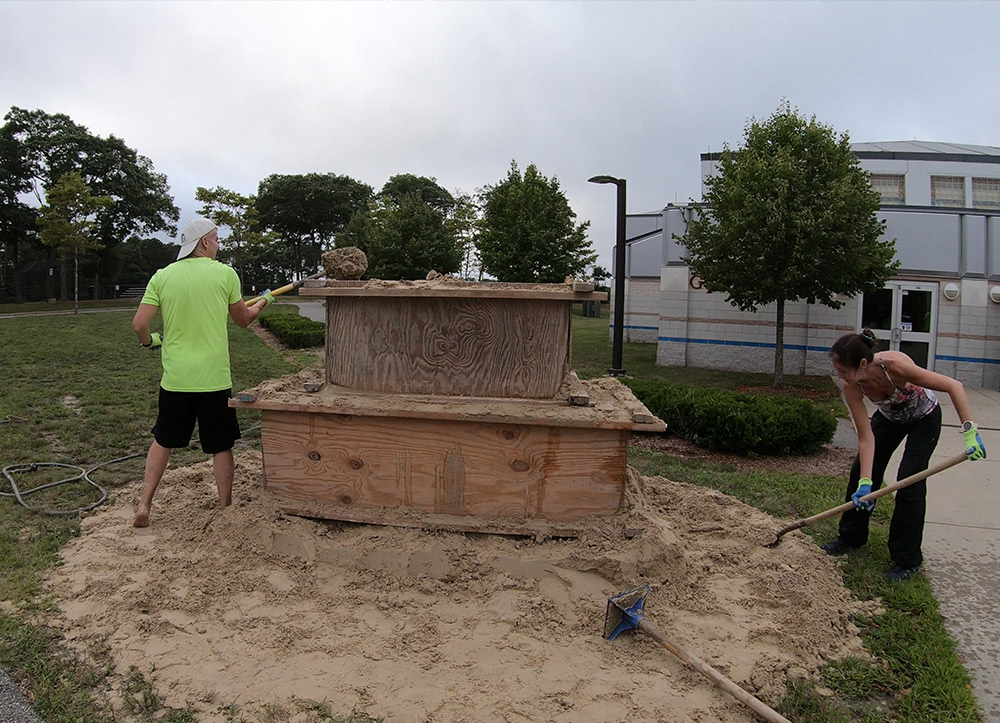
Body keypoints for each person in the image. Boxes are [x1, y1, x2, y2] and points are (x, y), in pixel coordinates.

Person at [131, 218, 275, 528]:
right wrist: (265, 300)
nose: (219, 245)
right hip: (213, 379)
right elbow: (243, 319)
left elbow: (139, 325)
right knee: (220, 444)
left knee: (163, 440)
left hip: (176, 379)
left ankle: (144, 504)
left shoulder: (163, 276)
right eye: (217, 240)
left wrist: (151, 342)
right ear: (205, 243)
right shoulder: (224, 274)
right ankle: (225, 507)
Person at [824, 329, 986, 581]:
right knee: (860, 473)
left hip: (924, 419)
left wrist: (970, 432)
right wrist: (866, 482)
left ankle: (906, 559)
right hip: (890, 419)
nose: (840, 375)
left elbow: (954, 386)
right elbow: (866, 438)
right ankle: (851, 537)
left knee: (910, 482)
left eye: (843, 370)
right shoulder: (852, 386)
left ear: (863, 364)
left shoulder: (896, 366)